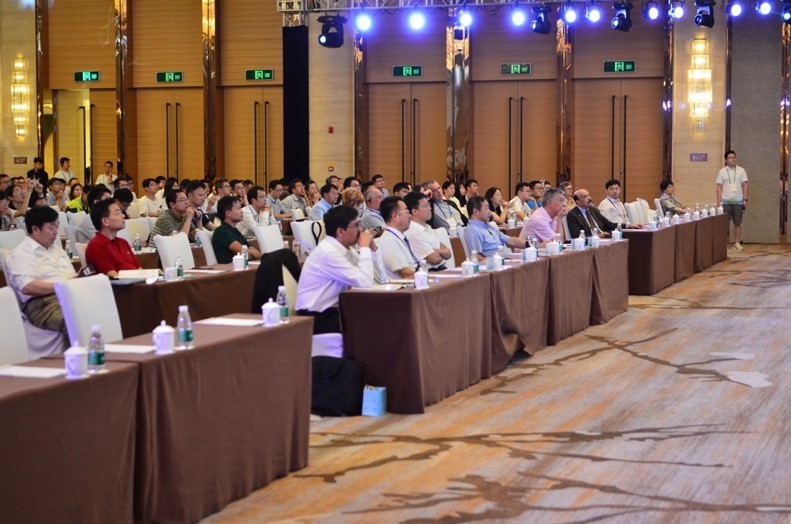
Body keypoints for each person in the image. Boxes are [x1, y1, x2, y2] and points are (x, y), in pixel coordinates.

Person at [295, 205, 374, 334]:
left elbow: (376, 277)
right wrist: (364, 247)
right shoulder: (328, 253)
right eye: (356, 225)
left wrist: (373, 249)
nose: (360, 230)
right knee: (372, 325)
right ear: (341, 231)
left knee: (378, 317)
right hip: (316, 318)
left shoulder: (345, 249)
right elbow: (365, 282)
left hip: (333, 312)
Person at [5, 206, 76, 343]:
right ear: (35, 229)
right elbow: (28, 286)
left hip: (70, 295)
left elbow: (72, 276)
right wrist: (62, 286)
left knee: (105, 309)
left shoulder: (57, 250)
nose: (56, 232)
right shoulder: (21, 253)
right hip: (43, 304)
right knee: (77, 319)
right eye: (51, 227)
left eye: (57, 226)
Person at [85, 199, 141, 277]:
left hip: (139, 282)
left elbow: (139, 269)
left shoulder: (123, 242)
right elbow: (113, 277)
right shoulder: (96, 245)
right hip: (122, 284)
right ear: (105, 221)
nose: (123, 216)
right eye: (117, 213)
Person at [404, 191, 452, 271]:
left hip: (442, 269)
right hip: (430, 273)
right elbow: (434, 259)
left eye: (429, 205)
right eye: (425, 206)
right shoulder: (412, 232)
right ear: (414, 211)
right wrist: (439, 252)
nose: (430, 208)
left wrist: (435, 251)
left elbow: (448, 254)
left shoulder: (428, 227)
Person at [376, 196, 420, 280]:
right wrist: (428, 274)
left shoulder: (400, 237)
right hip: (405, 286)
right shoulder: (389, 241)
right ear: (395, 216)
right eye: (406, 211)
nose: (410, 215)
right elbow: (406, 274)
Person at [211, 196, 262, 264]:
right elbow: (242, 251)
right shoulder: (221, 231)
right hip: (229, 268)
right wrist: (249, 251)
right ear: (228, 213)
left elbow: (258, 254)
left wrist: (248, 251)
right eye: (238, 208)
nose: (242, 211)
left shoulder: (235, 230)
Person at [716, 150, 749, 250]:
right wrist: (719, 202)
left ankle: (737, 243)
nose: (733, 159)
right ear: (726, 160)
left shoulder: (741, 170)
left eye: (734, 157)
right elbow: (719, 187)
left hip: (738, 201)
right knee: (723, 224)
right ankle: (721, 244)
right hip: (725, 202)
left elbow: (745, 185)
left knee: (737, 223)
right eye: (730, 158)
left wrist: (745, 199)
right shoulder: (722, 172)